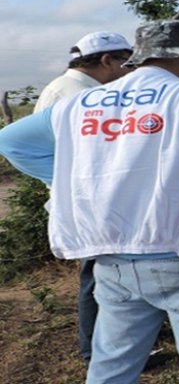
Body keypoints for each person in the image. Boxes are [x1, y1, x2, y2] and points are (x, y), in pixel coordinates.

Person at [0, 20, 179, 383]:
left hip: (114, 262)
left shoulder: (84, 103)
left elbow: (11, 141)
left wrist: (72, 183)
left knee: (111, 368)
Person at [33, 31, 134, 363]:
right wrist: (68, 185)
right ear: (107, 61)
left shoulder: (72, 89)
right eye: (126, 63)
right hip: (88, 203)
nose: (129, 71)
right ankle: (97, 351)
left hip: (87, 199)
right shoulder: (76, 95)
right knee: (98, 278)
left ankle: (108, 346)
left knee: (103, 275)